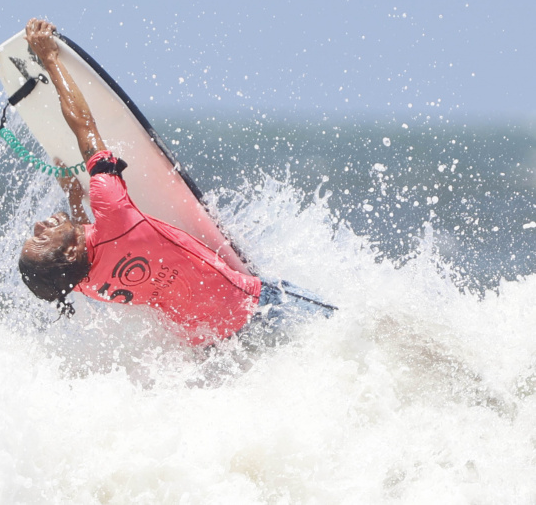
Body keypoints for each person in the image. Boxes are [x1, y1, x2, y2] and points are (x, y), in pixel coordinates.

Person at [17, 18, 334, 347]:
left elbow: (85, 245)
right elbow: (85, 128)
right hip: (259, 308)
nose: (38, 226)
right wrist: (49, 58)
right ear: (70, 252)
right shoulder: (113, 214)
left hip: (212, 346)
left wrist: (73, 195)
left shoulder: (85, 283)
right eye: (41, 239)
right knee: (347, 329)